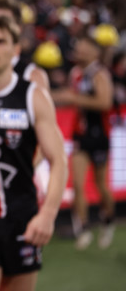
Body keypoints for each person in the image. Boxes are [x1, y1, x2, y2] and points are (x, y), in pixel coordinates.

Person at [0, 16, 67, 291]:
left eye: (0, 41)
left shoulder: (33, 96)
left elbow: (58, 160)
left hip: (23, 219)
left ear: (16, 49)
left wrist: (48, 214)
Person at [51, 35, 116, 250]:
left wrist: (73, 98)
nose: (77, 50)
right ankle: (84, 228)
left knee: (101, 187)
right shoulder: (76, 74)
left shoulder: (100, 74)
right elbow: (69, 96)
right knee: (77, 185)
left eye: (82, 47)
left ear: (93, 52)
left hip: (99, 136)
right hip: (80, 134)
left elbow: (105, 103)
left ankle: (108, 221)